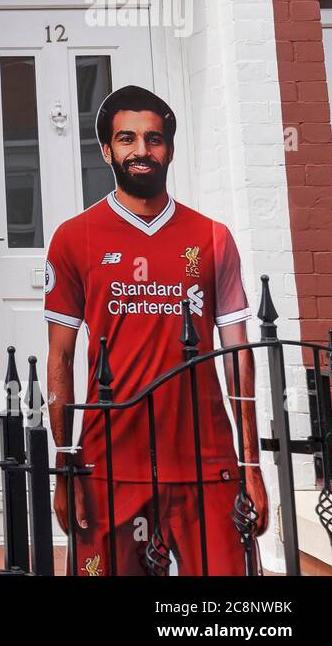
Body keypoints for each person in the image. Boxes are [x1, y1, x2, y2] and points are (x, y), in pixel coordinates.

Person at [43, 85, 269, 575]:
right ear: (107, 150)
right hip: (108, 465)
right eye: (127, 139)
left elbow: (238, 356)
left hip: (205, 461)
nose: (141, 150)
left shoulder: (212, 237)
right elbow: (59, 359)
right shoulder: (72, 237)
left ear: (169, 149)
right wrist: (66, 469)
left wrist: (251, 465)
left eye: (154, 139)